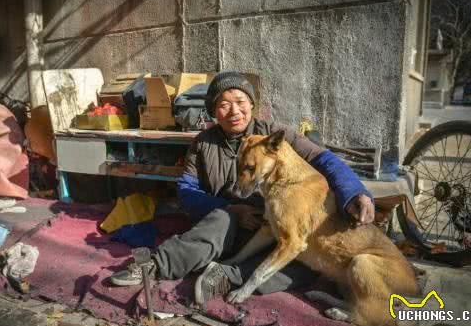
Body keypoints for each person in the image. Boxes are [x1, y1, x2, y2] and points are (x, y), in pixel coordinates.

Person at [109, 71, 375, 305]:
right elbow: (186, 189)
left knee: (305, 262)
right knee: (219, 220)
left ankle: (228, 277)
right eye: (224, 105)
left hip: (271, 229)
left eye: (240, 102)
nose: (234, 111)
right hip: (226, 228)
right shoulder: (203, 144)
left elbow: (323, 158)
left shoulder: (276, 136)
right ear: (214, 111)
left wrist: (354, 191)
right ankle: (154, 267)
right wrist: (231, 209)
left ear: (251, 104)